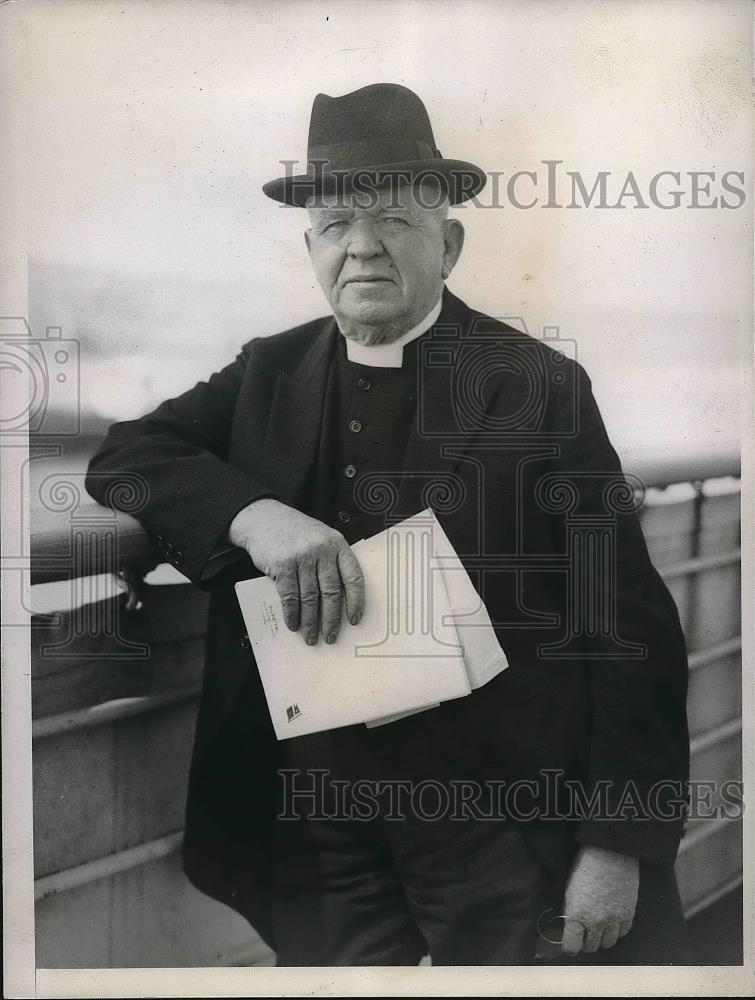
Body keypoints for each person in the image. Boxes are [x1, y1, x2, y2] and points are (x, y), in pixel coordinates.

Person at [85, 83, 691, 966]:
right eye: (334, 226)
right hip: (316, 820)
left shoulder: (538, 385)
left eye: (393, 222)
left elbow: (626, 625)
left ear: (447, 243)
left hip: (498, 819)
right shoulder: (269, 370)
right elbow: (126, 459)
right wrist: (254, 517)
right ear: (309, 249)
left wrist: (615, 844)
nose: (361, 247)